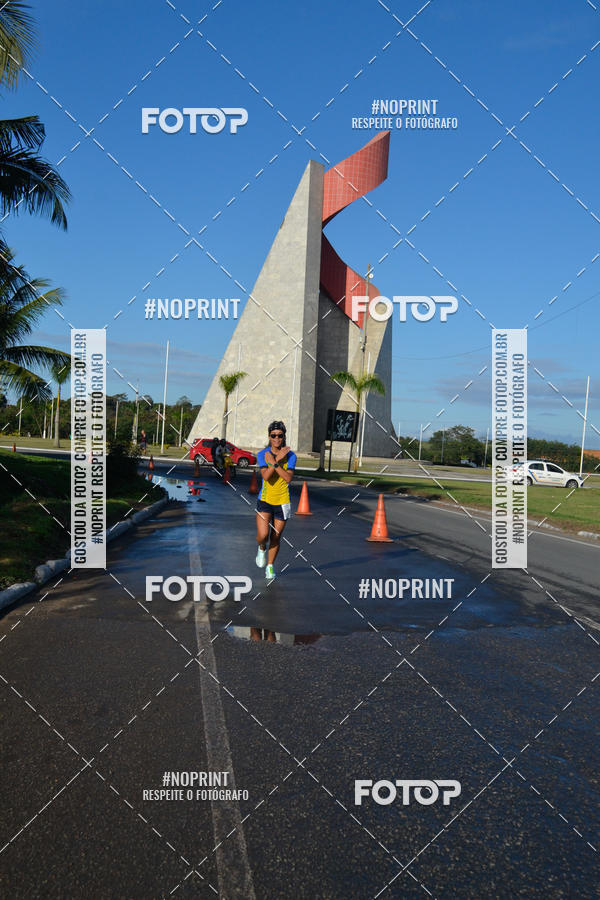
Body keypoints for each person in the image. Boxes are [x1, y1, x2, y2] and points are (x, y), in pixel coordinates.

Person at [255, 420, 296, 581]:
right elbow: (265, 476)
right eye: (273, 435)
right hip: (265, 499)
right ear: (269, 437)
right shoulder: (263, 454)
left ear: (284, 436)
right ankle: (261, 547)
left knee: (276, 536)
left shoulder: (291, 456)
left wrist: (276, 462)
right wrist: (276, 460)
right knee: (263, 534)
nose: (277, 438)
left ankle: (270, 566)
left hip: (282, 501)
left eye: (280, 435)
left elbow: (287, 478)